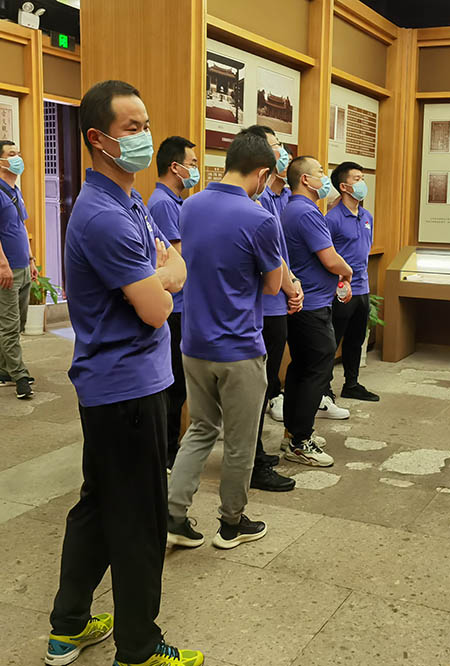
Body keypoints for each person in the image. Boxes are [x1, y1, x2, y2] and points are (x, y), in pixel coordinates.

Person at [45, 80, 201, 666]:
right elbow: (159, 307)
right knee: (138, 518)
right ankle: (138, 647)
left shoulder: (130, 202)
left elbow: (176, 264)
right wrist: (162, 278)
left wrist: (163, 275)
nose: (144, 137)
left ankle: (68, 626)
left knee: (98, 505)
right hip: (126, 389)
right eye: (132, 128)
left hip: (127, 383)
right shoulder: (103, 216)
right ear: (98, 138)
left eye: (146, 125)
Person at [166, 130, 284, 551]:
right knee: (239, 442)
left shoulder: (190, 205)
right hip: (239, 348)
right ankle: (232, 523)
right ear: (262, 174)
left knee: (200, 429)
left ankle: (173, 514)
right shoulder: (260, 218)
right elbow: (273, 286)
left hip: (194, 342)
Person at [280, 156, 354, 466]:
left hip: (305, 302)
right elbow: (330, 258)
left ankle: (293, 431)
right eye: (320, 172)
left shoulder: (292, 209)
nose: (325, 177)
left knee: (301, 368)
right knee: (316, 369)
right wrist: (348, 272)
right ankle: (300, 441)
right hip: (311, 306)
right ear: (305, 180)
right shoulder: (306, 212)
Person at [250, 125, 302, 493]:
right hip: (265, 306)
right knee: (257, 388)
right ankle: (251, 460)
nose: (282, 151)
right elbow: (269, 262)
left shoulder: (274, 197)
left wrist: (292, 283)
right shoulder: (257, 201)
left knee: (266, 384)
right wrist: (289, 285)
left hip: (277, 302)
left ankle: (255, 453)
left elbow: (280, 254)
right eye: (274, 145)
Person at [147, 135, 198, 469]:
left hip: (182, 305)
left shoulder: (175, 202)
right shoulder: (163, 204)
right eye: (192, 164)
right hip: (173, 307)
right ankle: (166, 451)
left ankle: (170, 446)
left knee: (178, 385)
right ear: (175, 167)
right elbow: (178, 256)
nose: (195, 170)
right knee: (172, 384)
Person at [0, 139, 39, 399]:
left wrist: (31, 260)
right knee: (9, 325)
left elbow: (21, 228)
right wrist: (2, 263)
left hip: (22, 267)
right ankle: (20, 375)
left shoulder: (15, 190)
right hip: (3, 270)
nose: (18, 158)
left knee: (15, 323)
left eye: (18, 153)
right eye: (12, 154)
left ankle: (2, 372)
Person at [323, 162, 379, 402]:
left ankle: (352, 384)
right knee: (332, 340)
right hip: (340, 291)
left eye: (362, 178)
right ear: (344, 186)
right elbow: (324, 254)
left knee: (356, 340)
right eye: (357, 179)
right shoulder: (332, 218)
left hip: (362, 288)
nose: (362, 183)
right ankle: (324, 388)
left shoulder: (367, 216)